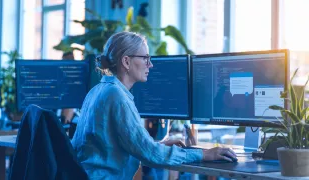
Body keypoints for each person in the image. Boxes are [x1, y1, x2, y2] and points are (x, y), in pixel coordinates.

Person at [71, 31, 237, 179]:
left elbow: (124, 147)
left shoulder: (98, 90)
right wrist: (204, 154)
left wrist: (156, 146)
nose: (150, 64)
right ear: (126, 61)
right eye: (145, 58)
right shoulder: (117, 97)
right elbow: (151, 156)